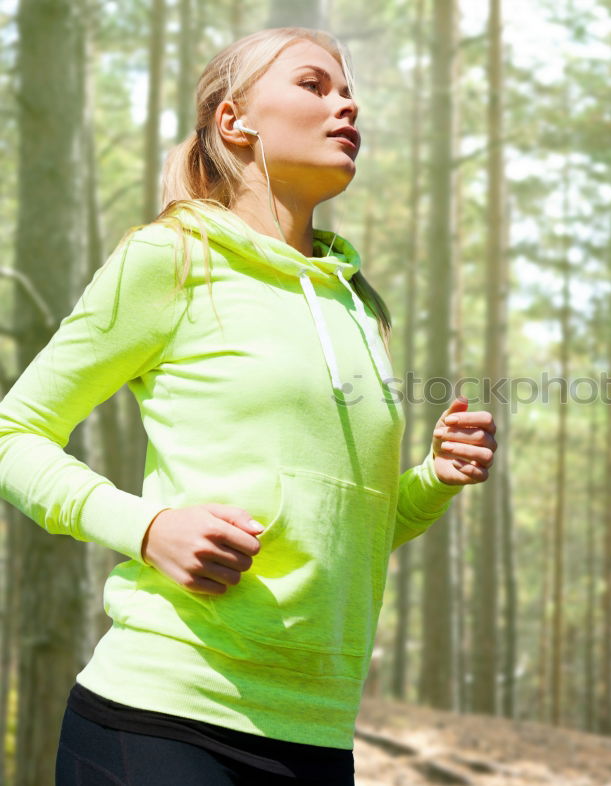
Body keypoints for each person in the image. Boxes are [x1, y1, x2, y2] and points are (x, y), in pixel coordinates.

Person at [0, 26, 498, 785]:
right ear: (237, 121)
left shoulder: (357, 307)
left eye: (350, 90)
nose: (347, 104)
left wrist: (433, 479)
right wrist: (149, 527)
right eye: (314, 85)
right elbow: (13, 433)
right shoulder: (172, 258)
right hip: (164, 716)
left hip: (319, 737)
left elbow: (342, 534)